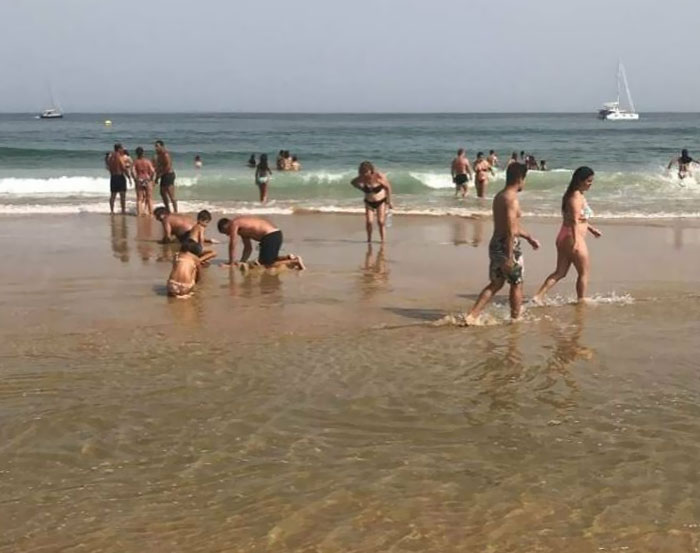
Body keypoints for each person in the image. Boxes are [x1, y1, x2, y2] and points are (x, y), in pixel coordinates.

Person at [465, 163, 540, 323]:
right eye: (524, 179)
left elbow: (508, 225)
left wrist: (529, 237)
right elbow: (511, 231)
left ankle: (472, 315)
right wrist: (509, 256)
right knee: (516, 283)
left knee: (496, 283)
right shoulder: (512, 200)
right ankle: (515, 317)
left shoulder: (500, 196)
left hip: (496, 243)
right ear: (520, 179)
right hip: (507, 245)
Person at [533, 167, 602, 304]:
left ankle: (538, 296)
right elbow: (575, 221)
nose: (590, 184)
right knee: (584, 272)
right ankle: (581, 299)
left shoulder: (574, 195)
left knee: (560, 272)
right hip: (573, 237)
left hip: (564, 236)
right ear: (580, 181)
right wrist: (576, 242)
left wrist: (591, 229)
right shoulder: (576, 197)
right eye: (588, 181)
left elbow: (577, 219)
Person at [217, 216, 305, 271]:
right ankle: (287, 257)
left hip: (271, 235)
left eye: (226, 232)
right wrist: (242, 262)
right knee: (263, 261)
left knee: (267, 264)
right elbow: (248, 248)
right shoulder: (242, 230)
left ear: (227, 225)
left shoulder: (234, 223)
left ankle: (294, 261)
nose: (228, 235)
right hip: (271, 236)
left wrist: (231, 263)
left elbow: (233, 244)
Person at [351, 161, 394, 243]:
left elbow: (388, 187)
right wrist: (362, 188)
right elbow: (353, 182)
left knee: (380, 221)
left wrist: (389, 201)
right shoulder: (362, 178)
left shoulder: (378, 176)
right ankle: (369, 240)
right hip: (368, 202)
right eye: (362, 172)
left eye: (366, 172)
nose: (365, 174)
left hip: (381, 201)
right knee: (369, 221)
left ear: (370, 170)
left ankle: (383, 240)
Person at [155, 140, 177, 213]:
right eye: (155, 146)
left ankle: (175, 211)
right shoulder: (159, 155)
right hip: (163, 175)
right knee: (162, 192)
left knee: (171, 194)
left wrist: (161, 174)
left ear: (162, 146)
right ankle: (168, 209)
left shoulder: (165, 154)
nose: (156, 148)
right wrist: (157, 177)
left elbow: (168, 166)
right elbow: (159, 167)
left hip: (169, 175)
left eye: (157, 146)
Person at [133, 146, 156, 217]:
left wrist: (135, 179)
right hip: (147, 179)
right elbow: (152, 171)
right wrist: (151, 179)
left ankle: (139, 213)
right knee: (149, 198)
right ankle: (151, 213)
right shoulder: (147, 161)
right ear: (143, 153)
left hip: (139, 179)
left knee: (139, 198)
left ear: (136, 154)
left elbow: (133, 172)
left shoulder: (136, 162)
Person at [106, 143, 127, 214]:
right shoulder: (119, 156)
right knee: (122, 195)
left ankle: (112, 210)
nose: (122, 149)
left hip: (113, 177)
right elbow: (123, 167)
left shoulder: (110, 157)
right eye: (122, 148)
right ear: (119, 149)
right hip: (120, 176)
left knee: (113, 195)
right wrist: (127, 168)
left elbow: (108, 167)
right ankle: (123, 211)